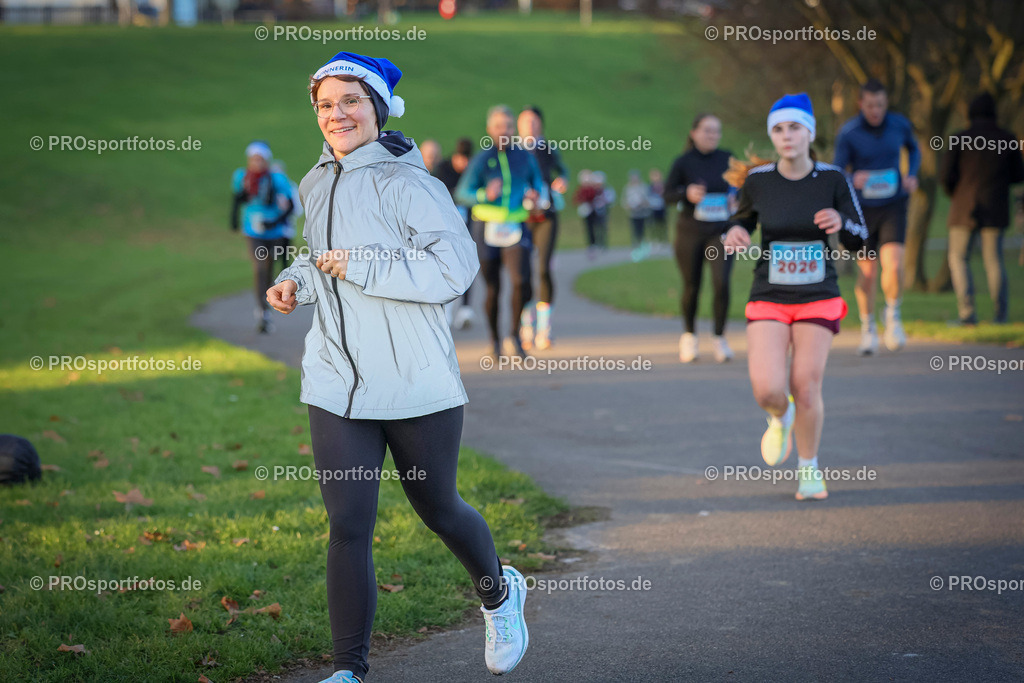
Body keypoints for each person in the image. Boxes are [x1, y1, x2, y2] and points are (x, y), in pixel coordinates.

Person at [264, 51, 529, 683]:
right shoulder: (314, 181)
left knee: (438, 507)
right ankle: (347, 671)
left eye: (350, 101)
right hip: (335, 382)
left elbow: (455, 270)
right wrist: (296, 280)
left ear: (378, 109)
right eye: (325, 104)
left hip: (415, 384)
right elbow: (318, 254)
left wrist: (362, 266)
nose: (336, 114)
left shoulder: (412, 185)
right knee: (348, 525)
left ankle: (499, 594)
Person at [722, 93, 867, 501]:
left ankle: (809, 468)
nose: (787, 136)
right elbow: (740, 220)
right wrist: (732, 233)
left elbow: (861, 237)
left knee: (806, 384)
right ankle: (779, 417)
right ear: (773, 136)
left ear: (810, 133)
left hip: (818, 294)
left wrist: (841, 223)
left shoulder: (833, 179)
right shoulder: (760, 180)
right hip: (769, 292)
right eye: (779, 129)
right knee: (768, 389)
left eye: (795, 128)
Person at [833, 79, 920, 354]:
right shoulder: (849, 132)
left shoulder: (899, 125)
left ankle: (892, 316)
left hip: (893, 204)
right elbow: (837, 172)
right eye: (870, 105)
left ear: (886, 104)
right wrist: (851, 177)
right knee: (867, 272)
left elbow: (914, 149)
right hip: (862, 210)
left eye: (880, 105)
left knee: (893, 264)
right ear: (861, 104)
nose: (875, 110)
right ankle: (868, 327)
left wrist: (911, 175)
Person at [455, 105, 547, 359]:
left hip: (517, 226)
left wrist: (536, 195)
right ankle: (495, 340)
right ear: (490, 130)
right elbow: (462, 193)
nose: (503, 131)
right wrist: (485, 194)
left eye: (508, 126)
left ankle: (515, 336)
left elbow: (538, 182)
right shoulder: (482, 159)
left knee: (521, 282)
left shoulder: (524, 156)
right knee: (493, 288)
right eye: (498, 127)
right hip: (486, 228)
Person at [942, 92, 1024, 325]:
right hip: (995, 208)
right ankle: (1000, 316)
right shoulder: (1007, 138)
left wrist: (955, 194)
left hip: (963, 208)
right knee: (994, 260)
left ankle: (967, 314)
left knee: (958, 258)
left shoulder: (959, 138)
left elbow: (945, 175)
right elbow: (1019, 175)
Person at [664, 113, 735, 363]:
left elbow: (743, 190)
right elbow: (667, 195)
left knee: (721, 283)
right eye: (707, 130)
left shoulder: (728, 159)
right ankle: (689, 336)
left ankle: (719, 337)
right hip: (690, 232)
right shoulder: (683, 162)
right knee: (692, 285)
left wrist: (736, 200)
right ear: (694, 133)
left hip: (720, 232)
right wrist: (687, 193)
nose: (712, 135)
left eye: (716, 131)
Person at [231, 141, 299, 332]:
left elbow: (291, 206)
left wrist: (275, 222)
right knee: (260, 267)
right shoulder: (241, 177)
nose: (256, 162)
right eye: (253, 159)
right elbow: (237, 199)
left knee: (270, 267)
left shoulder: (277, 179)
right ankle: (263, 312)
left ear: (266, 160)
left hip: (275, 232)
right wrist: (234, 220)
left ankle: (269, 299)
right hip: (253, 232)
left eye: (260, 159)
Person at [517, 106, 569, 350]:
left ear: (541, 125)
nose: (531, 126)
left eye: (535, 122)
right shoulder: (512, 150)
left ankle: (544, 329)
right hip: (521, 217)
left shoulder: (547, 149)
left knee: (543, 269)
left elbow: (563, 171)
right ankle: (526, 326)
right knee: (523, 272)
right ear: (518, 126)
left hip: (546, 216)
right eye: (526, 122)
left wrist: (563, 180)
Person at [433, 137, 477, 330]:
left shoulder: (473, 171)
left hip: (469, 226)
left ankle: (465, 309)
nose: (464, 165)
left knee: (468, 266)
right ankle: (447, 310)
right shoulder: (443, 168)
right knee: (447, 266)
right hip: (446, 227)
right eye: (461, 159)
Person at [622, 169, 652, 261]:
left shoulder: (643, 187)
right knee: (635, 231)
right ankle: (636, 247)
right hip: (633, 213)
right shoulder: (627, 188)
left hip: (642, 213)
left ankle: (644, 247)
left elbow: (648, 199)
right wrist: (628, 205)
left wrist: (642, 203)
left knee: (642, 230)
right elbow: (624, 200)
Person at [647, 168, 668, 244]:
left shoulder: (664, 185)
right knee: (653, 224)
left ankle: (663, 239)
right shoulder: (650, 187)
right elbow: (648, 196)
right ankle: (655, 239)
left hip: (662, 207)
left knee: (662, 224)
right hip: (653, 208)